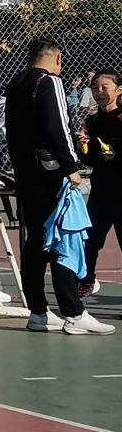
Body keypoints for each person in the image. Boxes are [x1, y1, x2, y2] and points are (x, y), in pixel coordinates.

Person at [5, 37, 106, 332]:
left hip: (26, 173)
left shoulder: (16, 84)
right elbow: (58, 127)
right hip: (51, 173)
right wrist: (71, 166)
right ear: (58, 58)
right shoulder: (49, 82)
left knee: (37, 240)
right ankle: (74, 313)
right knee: (64, 237)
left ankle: (38, 311)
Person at [83, 70, 122, 288]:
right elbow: (89, 159)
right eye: (95, 87)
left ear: (119, 90)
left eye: (104, 87)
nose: (99, 92)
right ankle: (87, 281)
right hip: (101, 192)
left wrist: (116, 155)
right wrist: (83, 148)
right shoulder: (92, 121)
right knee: (89, 240)